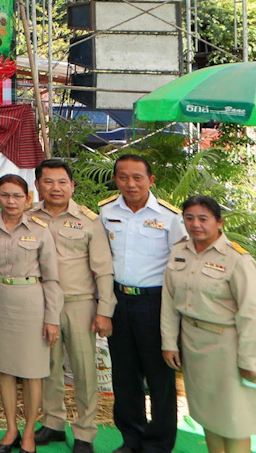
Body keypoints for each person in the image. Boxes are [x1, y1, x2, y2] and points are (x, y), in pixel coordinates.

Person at [99, 153, 185, 453]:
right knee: (124, 376)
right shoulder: (106, 212)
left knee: (159, 376)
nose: (130, 184)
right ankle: (132, 438)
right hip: (118, 301)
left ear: (151, 180)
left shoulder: (170, 217)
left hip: (155, 303)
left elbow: (181, 264)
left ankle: (159, 444)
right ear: (115, 179)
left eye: (137, 177)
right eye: (123, 177)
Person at [160, 195, 256, 453]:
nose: (195, 224)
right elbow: (169, 301)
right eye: (189, 218)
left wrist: (249, 361)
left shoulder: (237, 259)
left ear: (219, 222)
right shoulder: (180, 252)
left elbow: (251, 312)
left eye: (203, 219)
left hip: (227, 346)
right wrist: (169, 342)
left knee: (234, 419)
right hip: (193, 344)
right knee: (207, 416)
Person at [30, 158, 114, 453]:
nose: (56, 188)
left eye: (62, 182)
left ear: (72, 186)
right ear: (38, 184)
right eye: (49, 182)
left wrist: (105, 310)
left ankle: (85, 433)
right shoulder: (29, 217)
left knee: (83, 370)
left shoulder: (89, 220)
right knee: (48, 367)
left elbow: (103, 269)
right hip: (40, 305)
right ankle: (53, 422)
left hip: (79, 304)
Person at [0, 174, 63, 453]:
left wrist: (52, 318)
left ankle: (28, 431)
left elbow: (51, 279)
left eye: (17, 196)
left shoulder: (40, 230)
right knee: (4, 367)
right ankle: (11, 428)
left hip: (31, 305)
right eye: (5, 195)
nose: (11, 201)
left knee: (32, 371)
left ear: (28, 198)